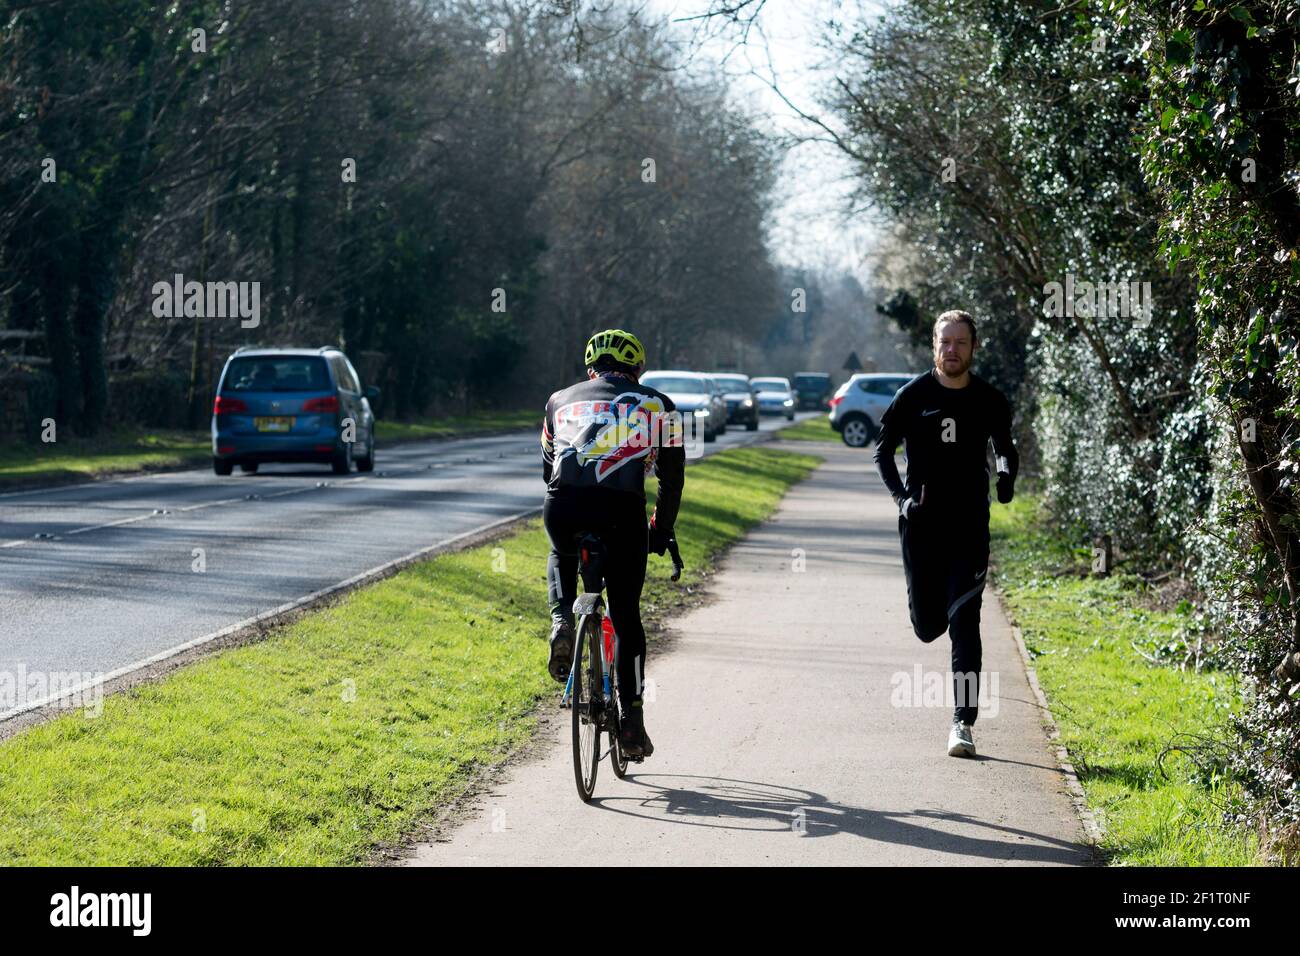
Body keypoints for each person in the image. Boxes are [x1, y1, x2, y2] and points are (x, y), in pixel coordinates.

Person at [872, 310, 1019, 758]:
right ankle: (929, 618)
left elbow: (1005, 447)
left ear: (974, 348)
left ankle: (963, 722)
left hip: (970, 528)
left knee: (965, 624)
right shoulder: (912, 396)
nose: (951, 350)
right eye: (944, 342)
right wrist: (902, 500)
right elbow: (882, 452)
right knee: (927, 626)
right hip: (921, 529)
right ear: (933, 347)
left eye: (960, 342)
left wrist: (1006, 478)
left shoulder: (990, 399)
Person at [540, 328, 685, 758]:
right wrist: (660, 529)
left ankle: (561, 620)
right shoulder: (661, 405)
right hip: (622, 513)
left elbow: (547, 468)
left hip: (562, 506)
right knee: (626, 620)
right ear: (637, 371)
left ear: (590, 369)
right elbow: (672, 480)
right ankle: (632, 725)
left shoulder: (557, 400)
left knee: (561, 550)